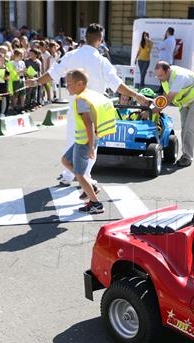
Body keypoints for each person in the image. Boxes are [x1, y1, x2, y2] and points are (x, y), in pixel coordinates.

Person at [25, 23, 149, 187]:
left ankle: (69, 175)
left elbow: (52, 73)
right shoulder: (101, 61)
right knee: (92, 144)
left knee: (72, 139)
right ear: (100, 40)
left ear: (85, 37)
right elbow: (117, 85)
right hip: (95, 109)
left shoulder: (71, 55)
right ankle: (86, 176)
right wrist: (136, 95)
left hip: (76, 107)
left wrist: (35, 81)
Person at [61, 69, 116, 214]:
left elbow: (88, 124)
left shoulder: (81, 100)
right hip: (82, 141)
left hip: (84, 143)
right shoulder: (86, 94)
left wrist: (91, 146)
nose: (67, 87)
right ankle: (90, 186)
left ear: (80, 84)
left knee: (79, 174)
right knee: (66, 161)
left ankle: (96, 204)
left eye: (69, 84)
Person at [153, 61, 194, 167]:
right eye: (157, 75)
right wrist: (153, 105)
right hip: (183, 102)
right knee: (183, 128)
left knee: (189, 128)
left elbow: (168, 99)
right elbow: (164, 95)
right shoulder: (165, 77)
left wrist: (152, 111)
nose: (159, 78)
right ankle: (185, 155)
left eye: (161, 75)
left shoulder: (179, 76)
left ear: (167, 71)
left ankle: (187, 157)